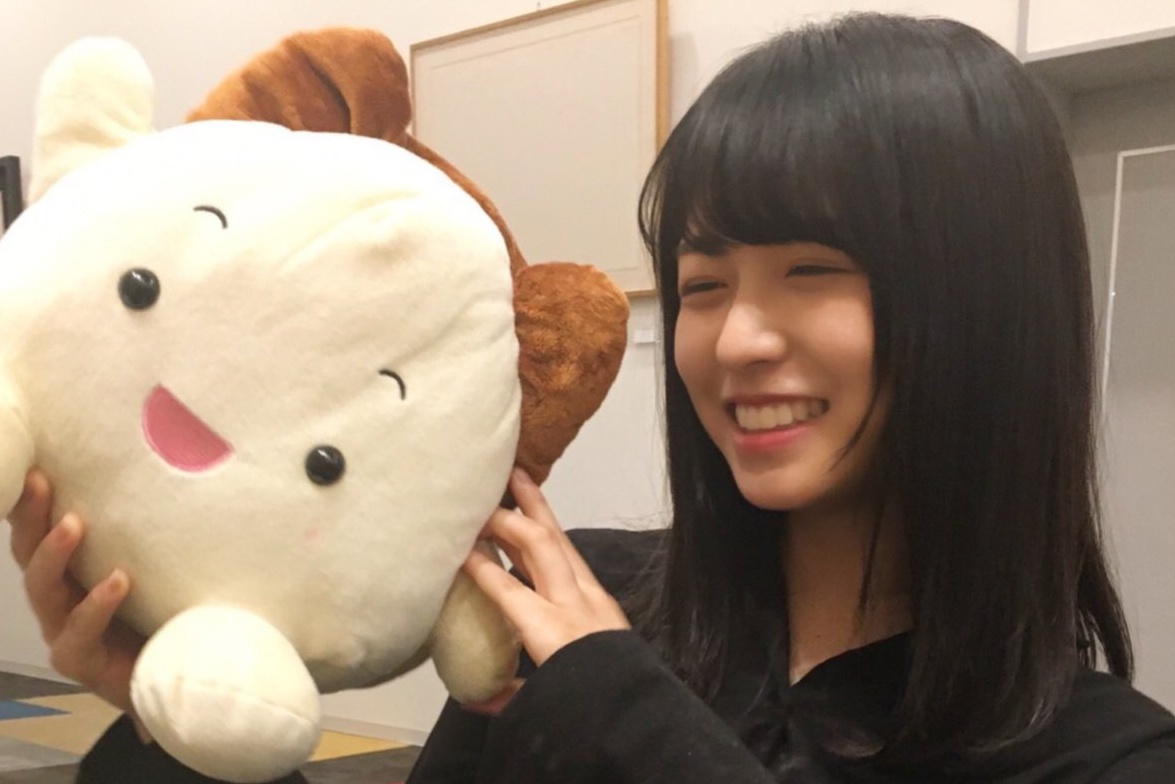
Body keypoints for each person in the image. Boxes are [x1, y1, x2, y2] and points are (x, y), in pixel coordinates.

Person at [7, 12, 1175, 784]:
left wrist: (616, 711)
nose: (735, 339)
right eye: (703, 283)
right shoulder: (574, 600)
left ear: (984, 301)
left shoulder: (1103, 755)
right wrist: (170, 722)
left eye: (811, 270)